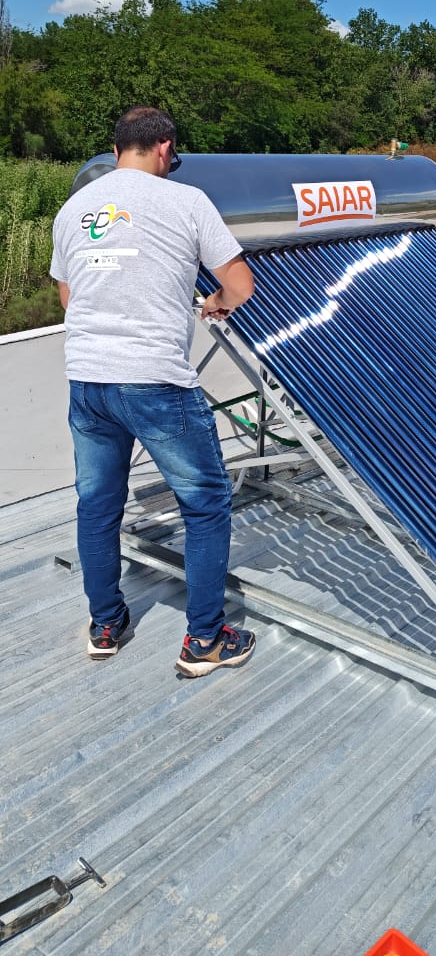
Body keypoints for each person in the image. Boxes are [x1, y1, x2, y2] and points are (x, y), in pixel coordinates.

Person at [50, 106, 256, 678]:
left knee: (97, 505)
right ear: (165, 148)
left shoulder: (72, 211)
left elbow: (71, 301)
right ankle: (205, 641)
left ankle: (107, 626)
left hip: (88, 381)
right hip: (156, 381)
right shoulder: (186, 201)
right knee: (206, 503)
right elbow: (240, 282)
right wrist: (213, 304)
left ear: (117, 149)